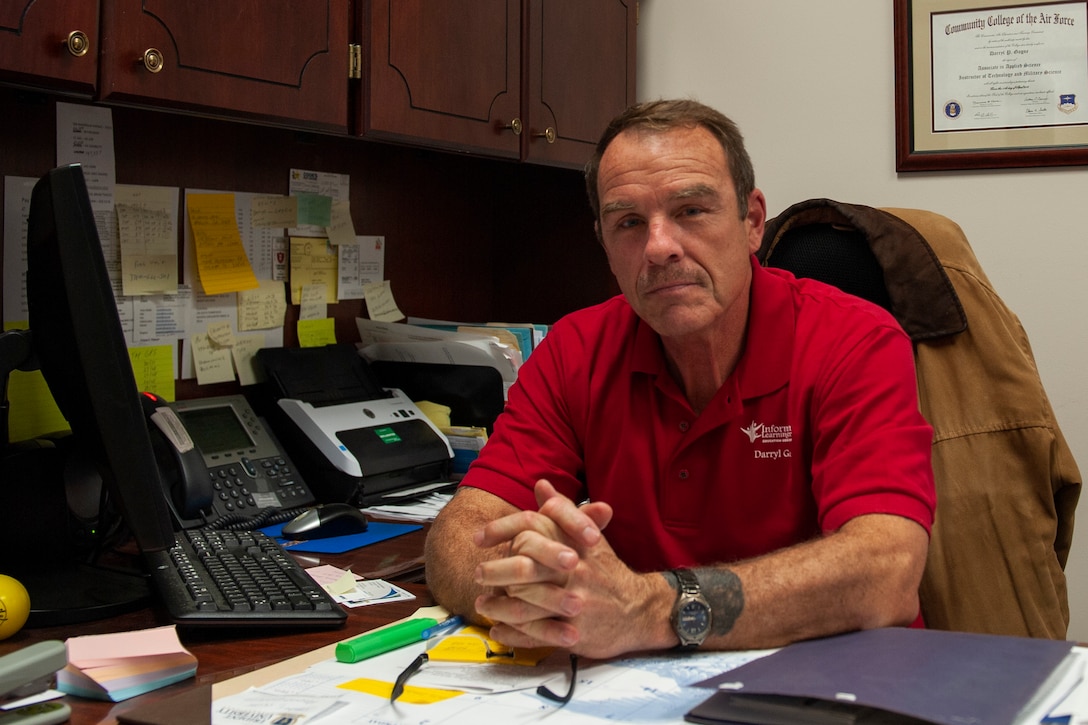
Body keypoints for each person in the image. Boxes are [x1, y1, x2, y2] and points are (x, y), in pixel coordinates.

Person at [424, 99, 936, 659]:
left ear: (752, 221)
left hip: (834, 683)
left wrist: (649, 608)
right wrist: (544, 585)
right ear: (604, 244)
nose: (660, 246)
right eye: (628, 222)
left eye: (691, 210)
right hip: (638, 686)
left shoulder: (854, 339)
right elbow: (459, 534)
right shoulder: (576, 349)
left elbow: (886, 571)